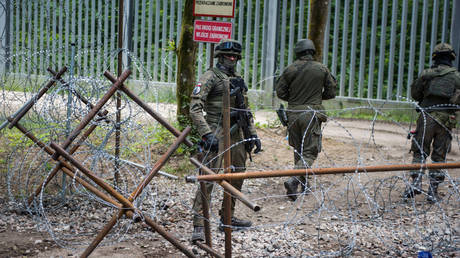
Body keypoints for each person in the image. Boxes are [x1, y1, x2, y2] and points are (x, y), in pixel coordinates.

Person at [189, 39, 262, 242]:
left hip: (237, 131)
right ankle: (199, 224)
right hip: (216, 130)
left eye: (235, 57)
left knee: (237, 175)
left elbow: (245, 110)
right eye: (228, 56)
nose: (232, 59)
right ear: (219, 56)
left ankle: (227, 217)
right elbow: (195, 108)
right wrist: (206, 133)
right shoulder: (210, 77)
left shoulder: (237, 79)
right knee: (209, 178)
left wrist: (252, 134)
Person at [275, 39, 337, 201]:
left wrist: (295, 99)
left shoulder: (290, 69)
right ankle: (294, 179)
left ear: (298, 52)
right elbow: (331, 92)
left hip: (293, 113)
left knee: (298, 148)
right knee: (311, 150)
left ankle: (303, 184)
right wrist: (316, 98)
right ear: (312, 52)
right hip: (312, 113)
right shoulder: (321, 69)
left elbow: (280, 93)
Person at [403, 43, 460, 203]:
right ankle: (433, 192)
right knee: (439, 156)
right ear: (452, 58)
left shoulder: (426, 74)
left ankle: (415, 184)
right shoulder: (456, 77)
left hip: (427, 116)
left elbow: (415, 94)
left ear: (434, 57)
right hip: (447, 119)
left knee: (420, 150)